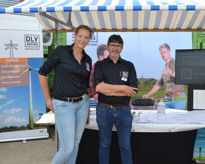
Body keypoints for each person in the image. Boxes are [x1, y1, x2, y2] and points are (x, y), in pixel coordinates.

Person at [38, 25, 92, 164]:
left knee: (75, 144)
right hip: (63, 104)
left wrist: (88, 111)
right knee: (66, 148)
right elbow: (42, 73)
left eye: (86, 37)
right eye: (80, 36)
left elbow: (85, 85)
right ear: (75, 36)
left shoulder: (88, 60)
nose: (83, 39)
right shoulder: (60, 52)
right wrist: (48, 100)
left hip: (83, 104)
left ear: (89, 40)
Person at [94, 34, 138, 164]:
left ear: (122, 48)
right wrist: (123, 88)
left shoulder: (129, 66)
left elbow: (132, 90)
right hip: (104, 110)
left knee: (125, 146)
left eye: (118, 46)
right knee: (104, 145)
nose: (115, 48)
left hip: (123, 111)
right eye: (112, 45)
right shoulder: (100, 65)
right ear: (108, 47)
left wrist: (109, 91)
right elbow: (98, 87)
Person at [142, 43, 186, 110]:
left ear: (169, 52)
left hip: (178, 99)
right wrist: (148, 95)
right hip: (167, 99)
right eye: (161, 53)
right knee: (163, 118)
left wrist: (171, 73)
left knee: (177, 120)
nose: (162, 55)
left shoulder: (177, 63)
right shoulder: (164, 70)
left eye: (164, 52)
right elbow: (158, 84)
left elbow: (184, 76)